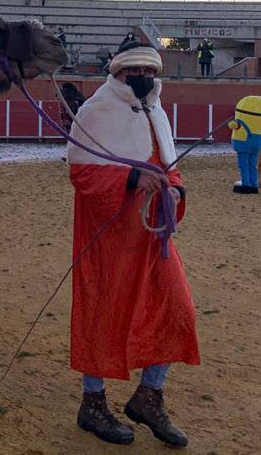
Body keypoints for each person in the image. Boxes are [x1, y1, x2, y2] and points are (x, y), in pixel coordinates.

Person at [67, 39, 197, 448]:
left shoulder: (156, 109)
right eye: (134, 72)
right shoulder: (96, 110)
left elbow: (167, 165)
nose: (142, 78)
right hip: (108, 237)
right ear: (118, 72)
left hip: (152, 235)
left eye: (149, 72)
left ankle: (149, 396)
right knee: (104, 313)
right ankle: (92, 403)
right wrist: (130, 178)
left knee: (177, 308)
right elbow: (82, 173)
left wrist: (175, 191)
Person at [228, 95, 261, 194]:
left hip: (243, 143)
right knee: (252, 165)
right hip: (256, 145)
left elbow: (231, 125)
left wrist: (232, 123)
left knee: (244, 165)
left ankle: (246, 184)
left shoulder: (240, 121)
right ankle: (253, 184)